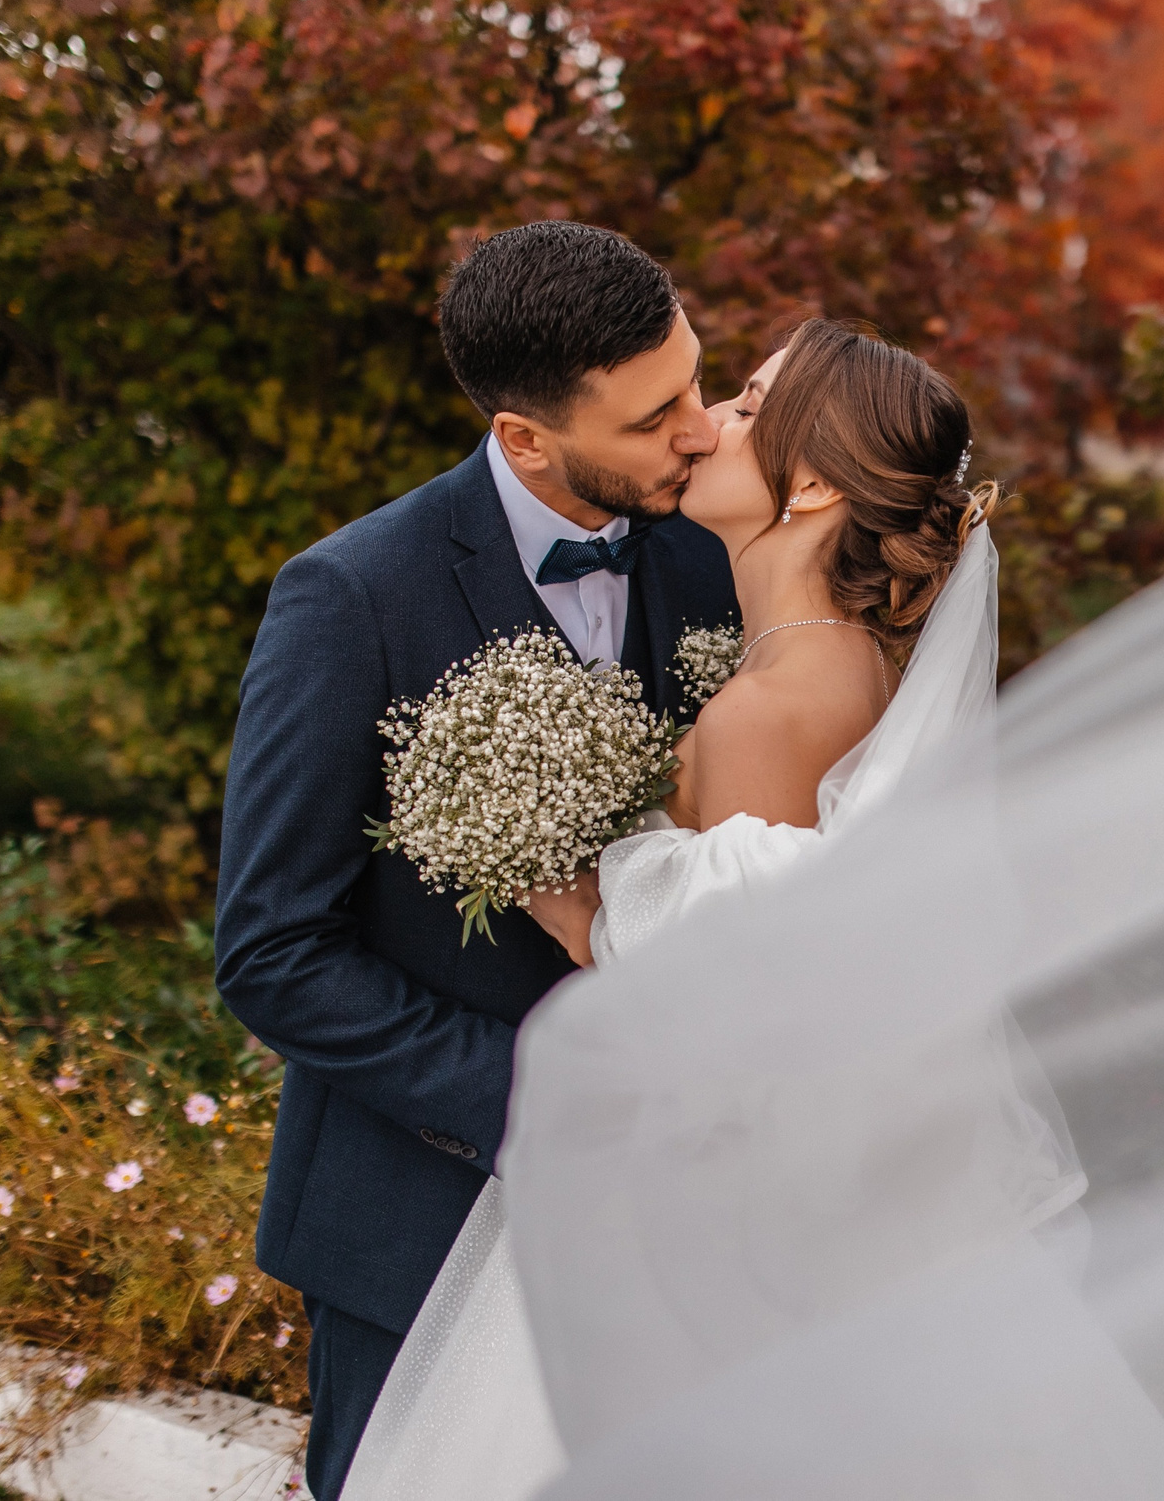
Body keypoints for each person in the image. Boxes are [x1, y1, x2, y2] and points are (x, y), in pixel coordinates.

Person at [336, 318, 1028, 1501]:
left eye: (748, 404)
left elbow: (737, 1045)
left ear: (810, 486)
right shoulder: (802, 665)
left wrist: (569, 904)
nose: (708, 425)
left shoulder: (775, 710)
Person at [212, 221, 738, 1501]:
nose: (704, 431)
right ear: (524, 437)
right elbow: (272, 950)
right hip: (422, 1226)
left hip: (687, 1230)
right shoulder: (352, 597)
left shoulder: (721, 547)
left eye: (696, 380)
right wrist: (539, 1098)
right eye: (654, 415)